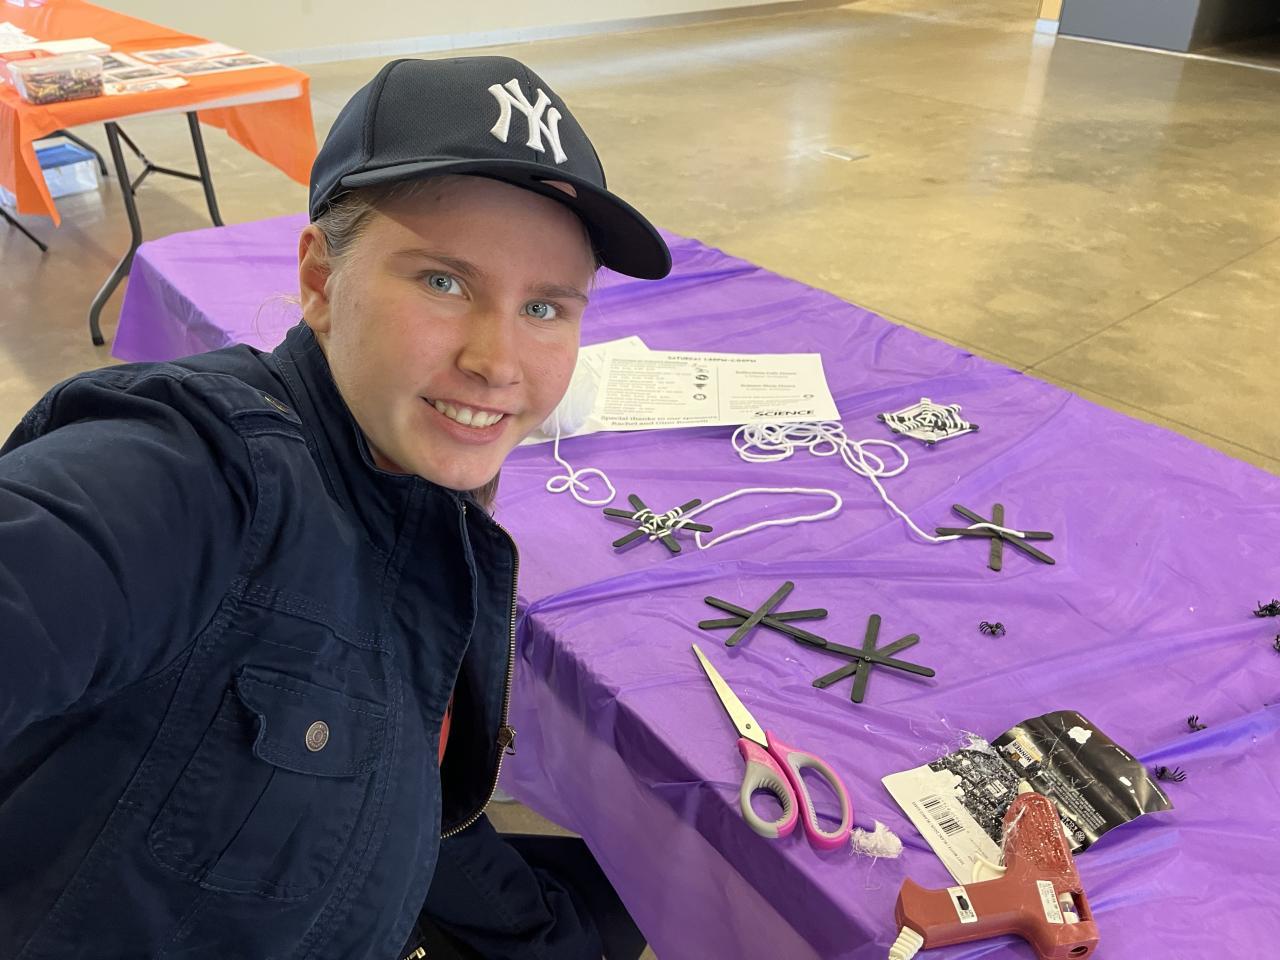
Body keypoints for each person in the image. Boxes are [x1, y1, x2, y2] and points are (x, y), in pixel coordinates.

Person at [0, 56, 669, 960]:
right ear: (320, 280)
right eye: (443, 282)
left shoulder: (420, 477)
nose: (497, 362)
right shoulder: (197, 473)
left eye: (545, 307)